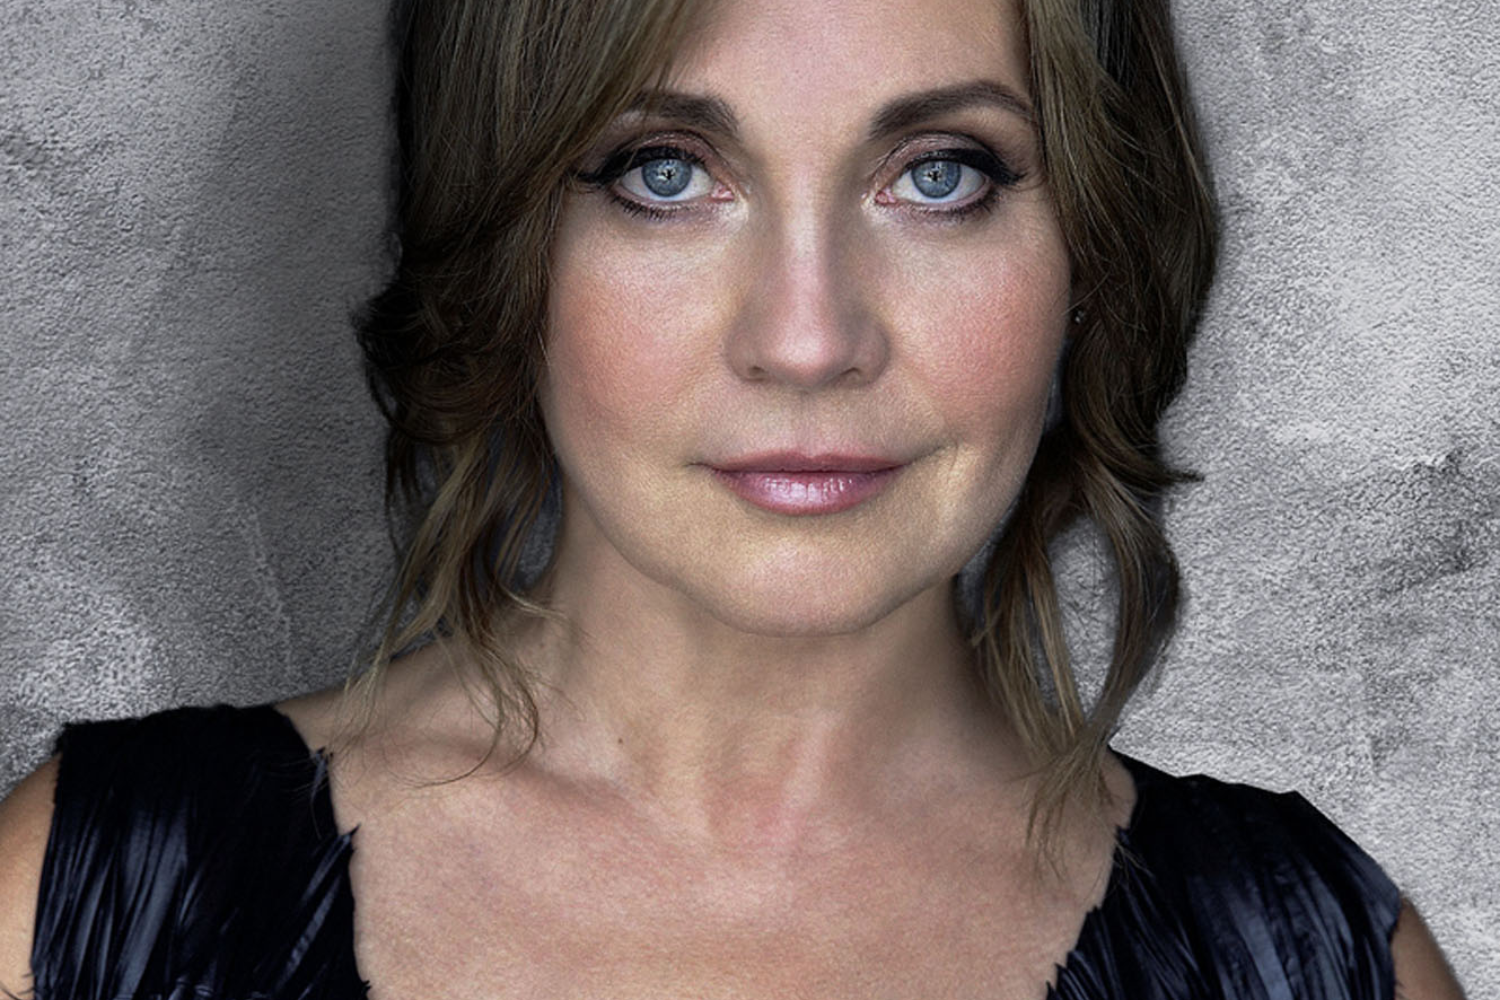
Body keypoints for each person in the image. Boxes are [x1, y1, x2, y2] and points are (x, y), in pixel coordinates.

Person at [0, 0, 1469, 995]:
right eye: (664, 173)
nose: (809, 340)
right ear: (514, 250)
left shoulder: (1308, 957)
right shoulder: (95, 903)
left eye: (942, 176)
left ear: (1093, 250)